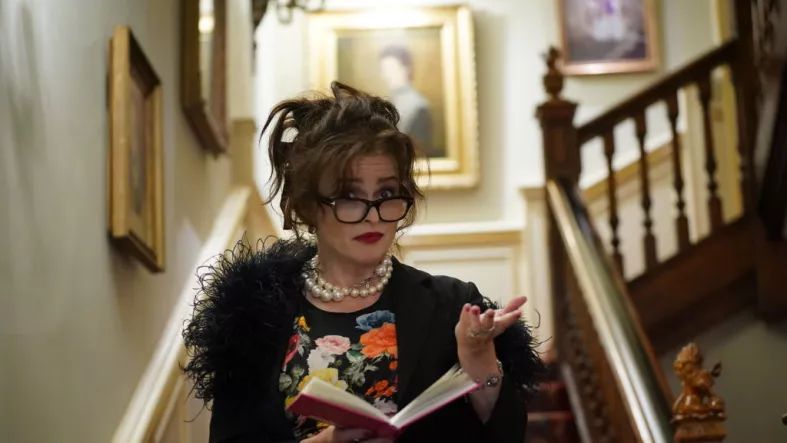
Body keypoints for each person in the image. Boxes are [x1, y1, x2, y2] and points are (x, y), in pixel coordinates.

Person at [182, 82, 544, 443]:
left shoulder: (452, 304)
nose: (373, 214)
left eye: (386, 194)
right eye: (349, 196)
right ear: (309, 206)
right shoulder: (253, 316)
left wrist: (479, 361)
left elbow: (507, 435)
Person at [378, 45, 440, 158]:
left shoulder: (419, 106)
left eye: (390, 70)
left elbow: (419, 152)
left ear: (406, 69)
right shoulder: (389, 101)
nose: (385, 76)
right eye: (384, 70)